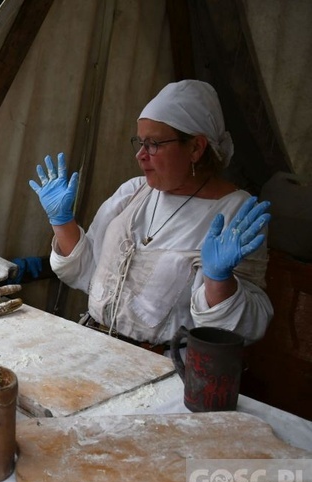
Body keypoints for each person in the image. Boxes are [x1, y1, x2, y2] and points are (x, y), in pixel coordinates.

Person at [29, 80, 272, 351]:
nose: (140, 155)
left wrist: (218, 281)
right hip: (95, 345)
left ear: (196, 148)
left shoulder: (236, 214)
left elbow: (248, 328)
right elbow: (87, 272)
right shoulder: (133, 192)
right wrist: (62, 223)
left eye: (153, 144)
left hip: (162, 369)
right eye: (140, 142)